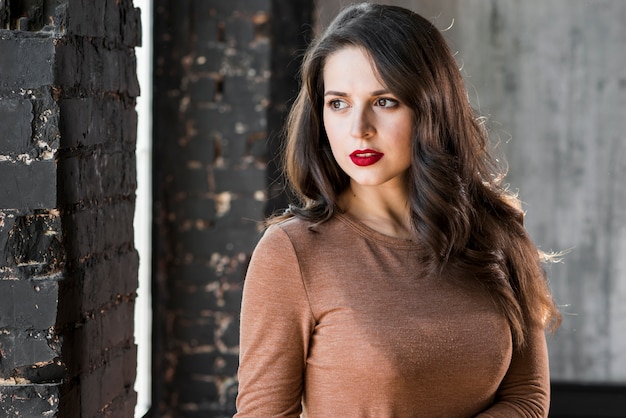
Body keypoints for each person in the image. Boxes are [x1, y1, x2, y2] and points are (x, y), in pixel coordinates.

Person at [235, 3, 561, 417]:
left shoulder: (497, 232)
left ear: (431, 108)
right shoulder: (292, 253)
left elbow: (528, 398)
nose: (359, 128)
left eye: (385, 101)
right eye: (338, 103)